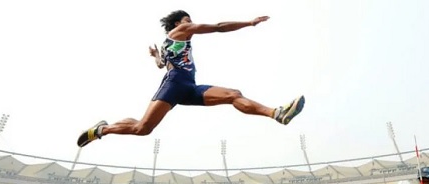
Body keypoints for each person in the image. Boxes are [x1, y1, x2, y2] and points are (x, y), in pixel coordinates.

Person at [77, 10, 305, 147]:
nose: (192, 24)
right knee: (142, 129)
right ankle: (101, 130)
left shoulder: (170, 44)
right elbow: (218, 28)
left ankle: (276, 113)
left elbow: (161, 64)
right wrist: (249, 23)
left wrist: (156, 56)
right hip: (175, 83)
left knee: (233, 94)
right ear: (178, 24)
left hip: (188, 86)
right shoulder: (180, 31)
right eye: (188, 20)